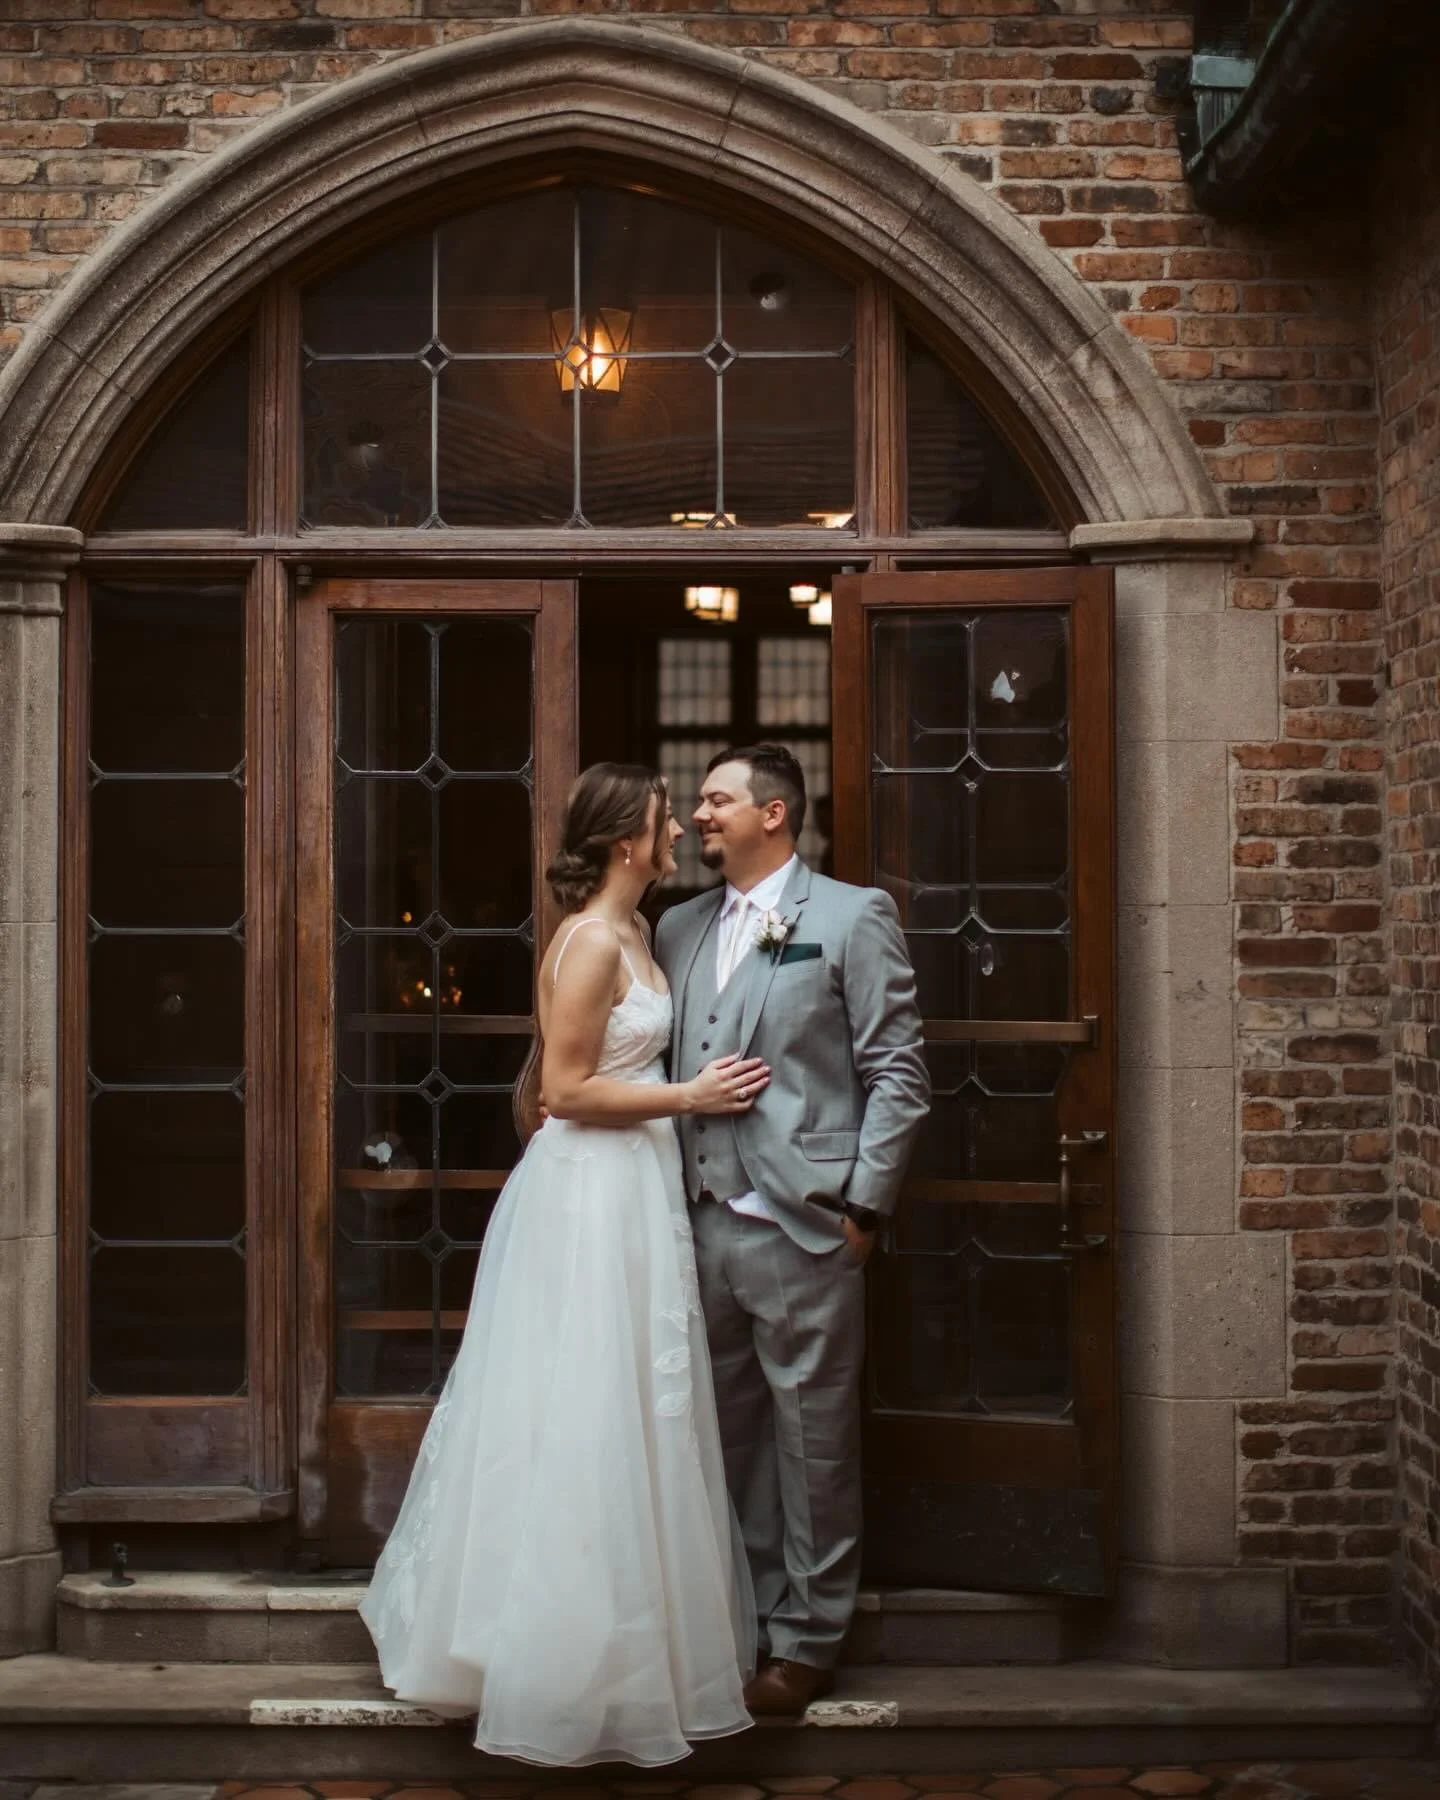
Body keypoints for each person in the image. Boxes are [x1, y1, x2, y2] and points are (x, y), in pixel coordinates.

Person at [361, 764, 765, 1767]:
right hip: (588, 1192)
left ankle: (628, 1659)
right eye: (666, 821)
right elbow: (568, 1091)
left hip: (633, 1188)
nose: (679, 834)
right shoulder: (590, 943)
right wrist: (693, 1097)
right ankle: (550, 1662)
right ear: (626, 840)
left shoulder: (638, 933)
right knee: (580, 1408)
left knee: (632, 1407)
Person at [654, 744, 929, 1716]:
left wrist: (866, 1205)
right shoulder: (677, 927)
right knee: (726, 1445)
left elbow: (899, 1071)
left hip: (805, 1225)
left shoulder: (853, 917)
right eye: (695, 803)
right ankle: (749, 1622)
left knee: (814, 1444)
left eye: (716, 799)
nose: (697, 816)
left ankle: (812, 1639)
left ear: (774, 814)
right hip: (696, 1225)